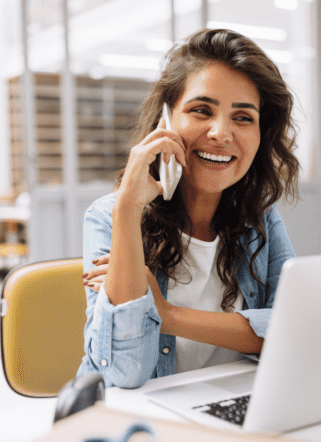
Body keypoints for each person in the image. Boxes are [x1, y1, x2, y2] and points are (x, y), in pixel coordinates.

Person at [78, 28, 300, 389]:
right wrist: (128, 208)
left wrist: (166, 315)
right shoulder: (109, 216)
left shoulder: (259, 219)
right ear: (164, 122)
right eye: (201, 110)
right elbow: (124, 372)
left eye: (243, 117)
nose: (220, 133)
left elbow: (291, 332)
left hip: (228, 406)